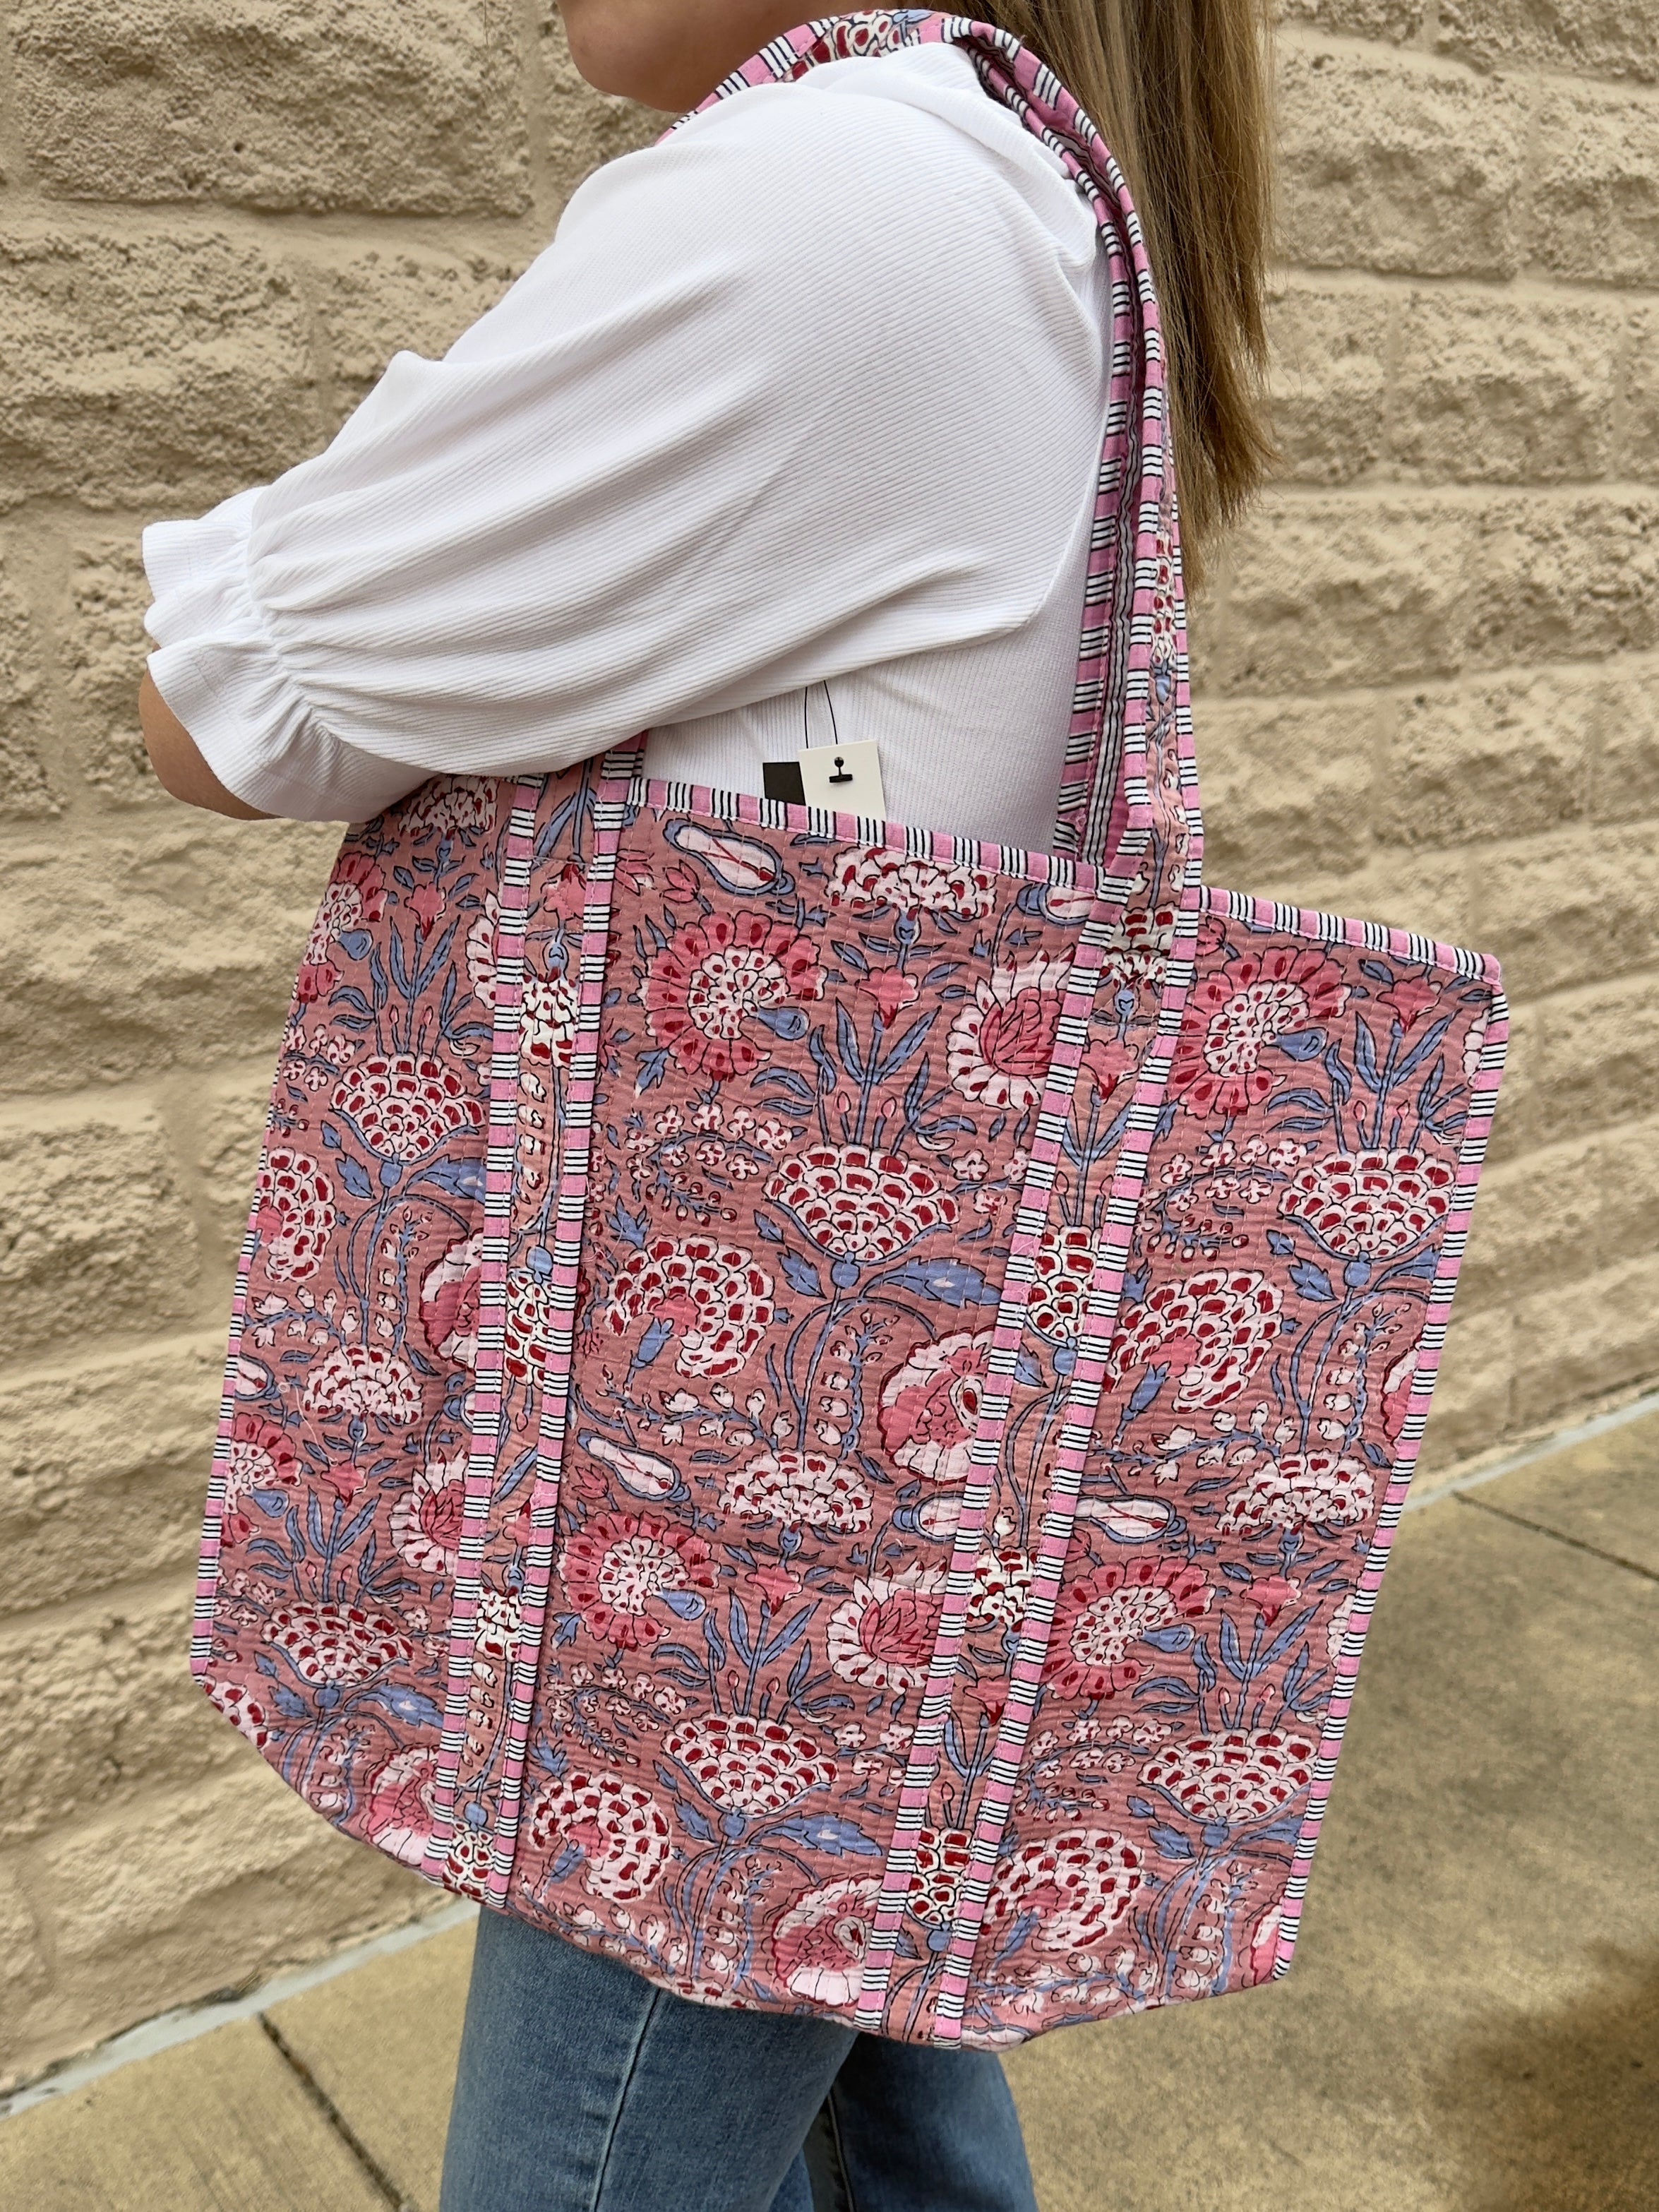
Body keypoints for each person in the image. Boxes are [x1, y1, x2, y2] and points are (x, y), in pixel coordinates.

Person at [139, 4, 1274, 2204]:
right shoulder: (998, 194)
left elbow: (229, 699)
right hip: (829, 1481)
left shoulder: (852, 197)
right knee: (885, 2090)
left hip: (729, 1534)